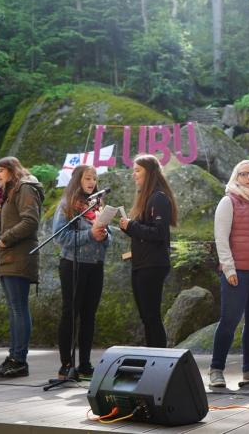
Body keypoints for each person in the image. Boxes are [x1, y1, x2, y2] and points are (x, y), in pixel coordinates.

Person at [208, 160, 249, 388]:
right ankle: (216, 369)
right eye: (244, 174)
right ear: (236, 177)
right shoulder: (229, 201)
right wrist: (228, 267)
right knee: (229, 320)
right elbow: (221, 237)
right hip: (237, 271)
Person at [0, 157, 45, 378]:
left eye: (0, 171)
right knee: (15, 309)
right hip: (9, 257)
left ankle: (18, 360)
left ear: (11, 170)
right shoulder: (13, 190)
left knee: (18, 309)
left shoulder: (25, 187)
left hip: (19, 256)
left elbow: (30, 221)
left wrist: (5, 238)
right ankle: (14, 358)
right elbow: (13, 221)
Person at [52, 165, 111, 379]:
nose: (92, 181)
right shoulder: (67, 205)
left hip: (95, 265)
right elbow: (60, 237)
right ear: (78, 180)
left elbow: (108, 239)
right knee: (71, 313)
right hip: (73, 265)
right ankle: (66, 364)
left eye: (94, 178)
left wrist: (103, 236)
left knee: (89, 315)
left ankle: (85, 363)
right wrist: (90, 235)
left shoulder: (97, 205)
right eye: (88, 178)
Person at [119, 154, 178, 348]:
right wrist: (128, 227)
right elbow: (144, 234)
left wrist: (131, 226)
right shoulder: (146, 197)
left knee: (152, 315)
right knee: (146, 316)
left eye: (138, 170)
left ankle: (159, 357)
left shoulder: (158, 198)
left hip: (153, 264)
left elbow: (159, 233)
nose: (134, 175)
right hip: (141, 263)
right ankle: (152, 355)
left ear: (150, 172)